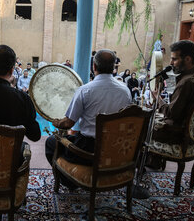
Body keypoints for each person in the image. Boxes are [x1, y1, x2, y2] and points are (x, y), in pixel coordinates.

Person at [45, 49, 132, 189]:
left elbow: (68, 123)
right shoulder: (125, 91)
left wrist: (56, 122)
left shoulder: (85, 90)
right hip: (116, 150)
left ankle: (70, 182)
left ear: (94, 66)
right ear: (114, 67)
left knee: (51, 142)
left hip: (88, 152)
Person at [151, 40, 194, 146]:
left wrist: (158, 98)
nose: (171, 63)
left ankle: (153, 161)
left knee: (142, 127)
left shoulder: (186, 83)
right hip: (193, 135)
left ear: (188, 59)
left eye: (174, 59)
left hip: (177, 136)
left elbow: (171, 114)